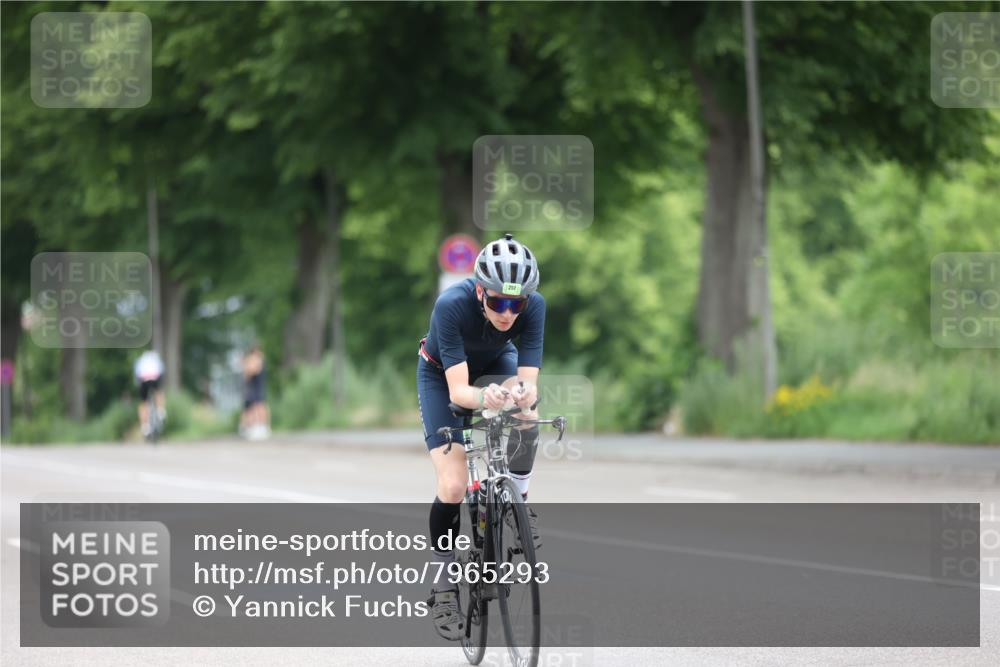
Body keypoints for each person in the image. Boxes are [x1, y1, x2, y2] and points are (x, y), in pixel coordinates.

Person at [417, 233, 545, 640]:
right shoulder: (451, 306)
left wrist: (521, 395)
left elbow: (529, 381)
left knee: (527, 412)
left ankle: (518, 504)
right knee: (453, 486)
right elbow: (460, 393)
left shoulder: (534, 306)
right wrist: (486, 397)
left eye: (516, 304)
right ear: (479, 292)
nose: (508, 313)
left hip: (494, 362)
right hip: (443, 376)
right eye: (497, 303)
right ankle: (442, 584)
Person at [240, 345, 270, 440]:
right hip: (252, 388)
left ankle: (261, 427)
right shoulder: (255, 360)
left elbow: (252, 371)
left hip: (257, 388)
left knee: (259, 407)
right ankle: (251, 428)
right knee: (252, 408)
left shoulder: (258, 361)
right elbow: (247, 375)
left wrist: (246, 364)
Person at [134, 349, 165, 438]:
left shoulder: (140, 360)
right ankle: (160, 411)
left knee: (143, 403)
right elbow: (162, 371)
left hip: (143, 380)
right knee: (159, 392)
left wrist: (138, 384)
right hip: (155, 378)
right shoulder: (156, 359)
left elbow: (136, 374)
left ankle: (144, 426)